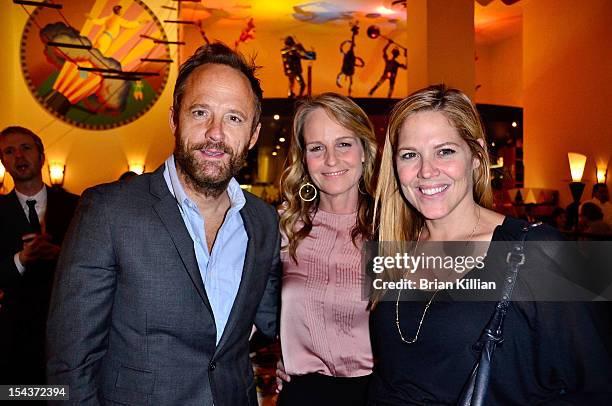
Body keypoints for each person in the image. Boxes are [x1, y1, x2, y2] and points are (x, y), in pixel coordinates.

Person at [47, 42, 281, 405]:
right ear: (175, 118)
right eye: (200, 112)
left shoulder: (263, 220)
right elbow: (70, 363)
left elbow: (273, 319)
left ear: (252, 134)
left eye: (234, 118)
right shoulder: (109, 210)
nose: (216, 133)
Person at [368, 84, 612, 405]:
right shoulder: (394, 248)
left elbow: (596, 386)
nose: (426, 171)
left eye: (445, 151)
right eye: (410, 155)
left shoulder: (535, 250)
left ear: (476, 156)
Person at [275, 93, 377, 405]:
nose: (331, 160)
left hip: (375, 395)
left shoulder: (394, 230)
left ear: (364, 151)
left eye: (343, 144)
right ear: (304, 158)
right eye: (317, 148)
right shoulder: (284, 228)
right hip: (302, 394)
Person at [0, 126, 79, 384]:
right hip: (15, 335)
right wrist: (22, 259)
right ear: (3, 162)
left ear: (41, 156)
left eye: (26, 148)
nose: (19, 157)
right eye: (9, 152)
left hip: (68, 332)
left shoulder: (77, 206)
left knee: (64, 396)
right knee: (18, 395)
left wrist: (59, 255)